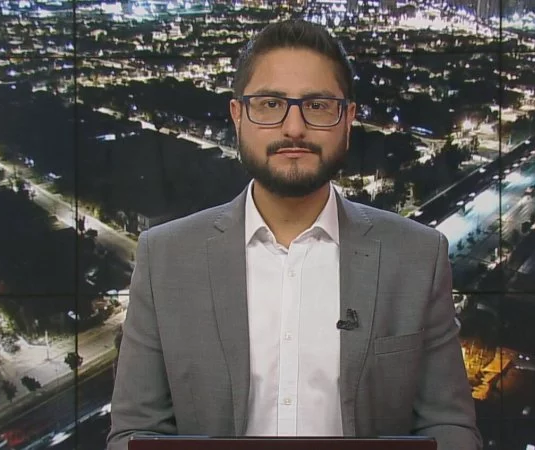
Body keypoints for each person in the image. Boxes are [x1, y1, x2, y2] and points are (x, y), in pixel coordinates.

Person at [107, 19, 482, 450]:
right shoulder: (164, 258)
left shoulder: (418, 256)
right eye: (270, 104)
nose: (294, 128)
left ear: (348, 119)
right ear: (238, 116)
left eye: (317, 105)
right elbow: (135, 431)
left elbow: (449, 425)